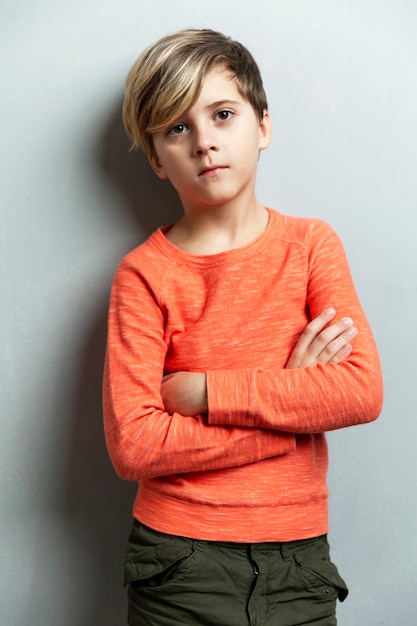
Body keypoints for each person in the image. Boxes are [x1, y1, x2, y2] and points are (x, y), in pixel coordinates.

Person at [103, 28, 383, 626]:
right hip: (176, 561)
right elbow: (135, 446)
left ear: (262, 126)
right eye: (177, 128)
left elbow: (360, 390)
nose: (204, 142)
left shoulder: (311, 246)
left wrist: (208, 392)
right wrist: (292, 408)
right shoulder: (143, 275)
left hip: (298, 561)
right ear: (155, 158)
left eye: (222, 114)